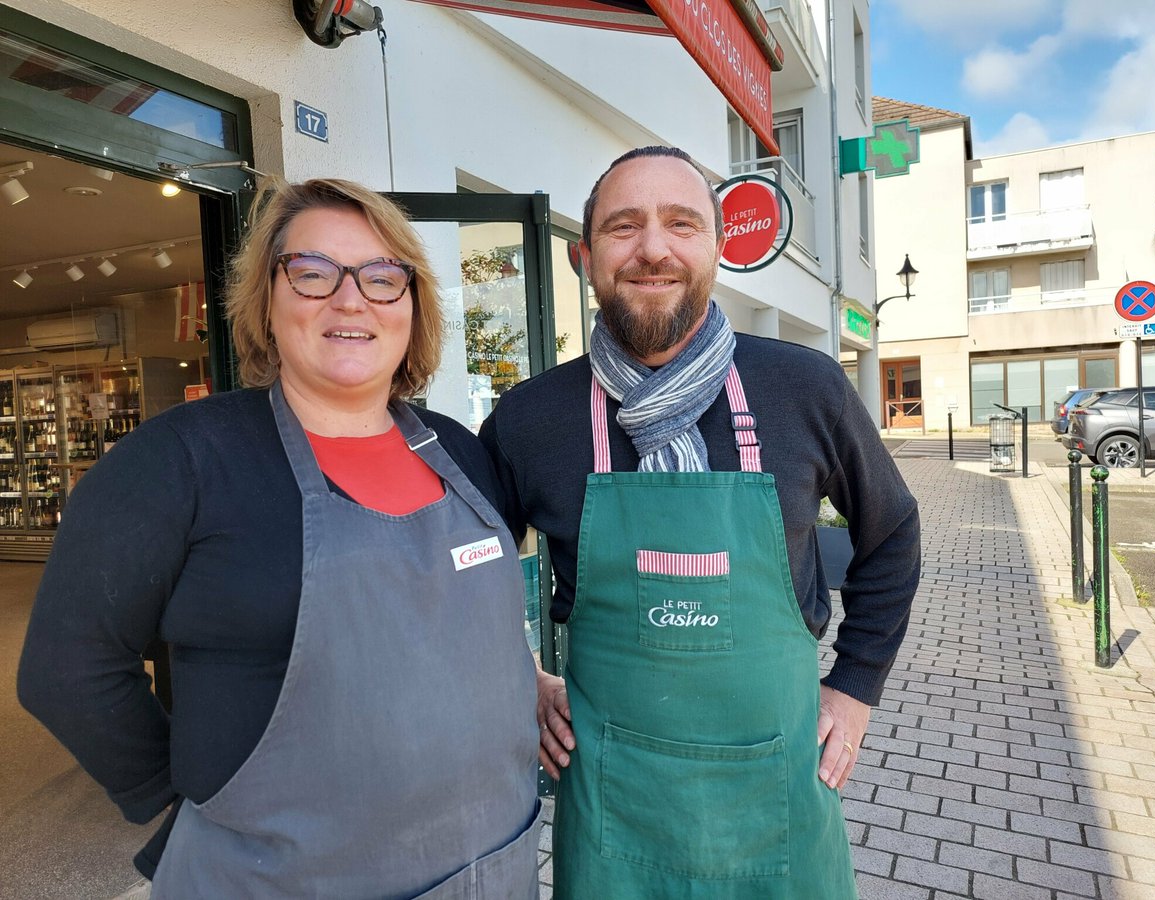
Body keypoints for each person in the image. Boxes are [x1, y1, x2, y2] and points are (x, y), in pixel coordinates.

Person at [18, 178, 541, 898]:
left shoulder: (459, 451)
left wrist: (523, 683)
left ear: (412, 306)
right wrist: (182, 798)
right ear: (267, 299)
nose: (350, 300)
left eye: (382, 278)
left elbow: (465, 621)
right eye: (313, 272)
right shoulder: (179, 462)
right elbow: (65, 668)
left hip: (491, 871)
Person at [479, 146, 921, 898]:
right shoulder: (531, 420)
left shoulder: (804, 388)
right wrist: (524, 677)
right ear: (586, 257)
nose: (653, 248)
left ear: (718, 249)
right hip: (614, 806)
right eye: (625, 227)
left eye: (681, 224)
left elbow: (893, 534)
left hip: (779, 793)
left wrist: (855, 685)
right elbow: (467, 567)